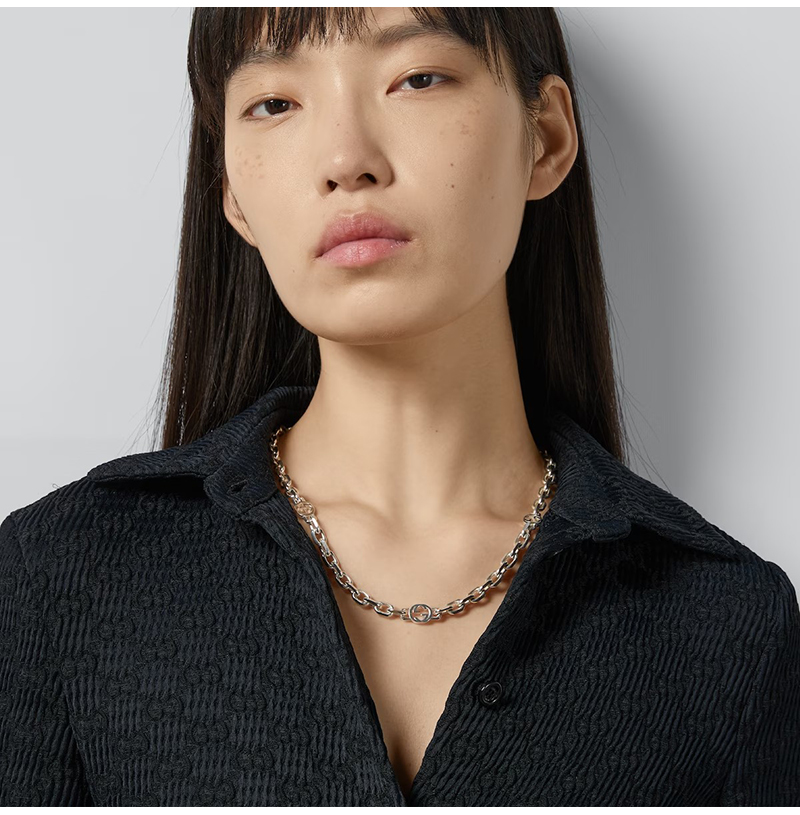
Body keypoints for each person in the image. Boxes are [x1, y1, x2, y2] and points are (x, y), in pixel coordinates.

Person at [1, 7, 798, 807]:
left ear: (547, 138)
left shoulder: (728, 626)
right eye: (275, 103)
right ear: (233, 194)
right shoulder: (59, 572)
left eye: (417, 78)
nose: (346, 160)